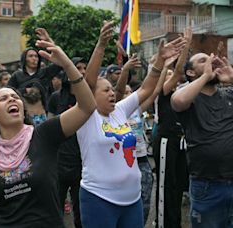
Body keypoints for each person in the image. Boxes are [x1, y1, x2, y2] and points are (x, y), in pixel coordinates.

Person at [0, 39, 96, 227]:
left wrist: (68, 64)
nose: (12, 99)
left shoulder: (44, 134)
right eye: (4, 99)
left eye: (15, 97)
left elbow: (86, 107)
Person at [78, 20, 186, 228]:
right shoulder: (86, 116)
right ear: (90, 96)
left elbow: (146, 90)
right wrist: (101, 45)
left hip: (132, 199)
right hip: (99, 199)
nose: (112, 93)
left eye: (112, 89)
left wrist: (160, 63)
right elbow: (88, 83)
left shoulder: (119, 110)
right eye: (106, 90)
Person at [171, 53, 233, 227]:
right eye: (203, 61)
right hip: (207, 186)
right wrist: (206, 75)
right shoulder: (189, 98)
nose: (211, 62)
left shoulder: (228, 94)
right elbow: (178, 101)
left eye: (211, 60)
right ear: (191, 73)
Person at [153, 29, 192, 228]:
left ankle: (174, 222)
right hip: (166, 140)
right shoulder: (164, 92)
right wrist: (184, 48)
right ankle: (162, 223)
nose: (172, 76)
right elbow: (178, 71)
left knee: (177, 186)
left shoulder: (183, 93)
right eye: (167, 74)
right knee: (165, 185)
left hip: (180, 141)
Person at [47, 56, 87, 228]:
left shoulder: (87, 98)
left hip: (82, 162)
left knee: (81, 210)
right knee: (55, 209)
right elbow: (48, 130)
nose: (83, 71)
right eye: (78, 67)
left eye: (85, 68)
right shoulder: (56, 98)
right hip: (59, 161)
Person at [7, 28, 62, 99]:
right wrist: (25, 90)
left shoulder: (45, 72)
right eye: (31, 56)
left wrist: (48, 40)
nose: (34, 58)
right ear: (25, 59)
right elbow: (9, 92)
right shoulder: (17, 75)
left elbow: (60, 61)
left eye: (36, 56)